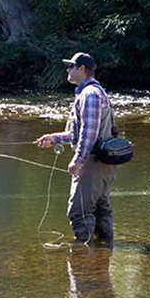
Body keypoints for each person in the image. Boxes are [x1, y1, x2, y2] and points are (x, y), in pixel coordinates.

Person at [35, 52, 117, 244]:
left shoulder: (89, 95)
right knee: (100, 209)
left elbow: (89, 133)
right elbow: (78, 134)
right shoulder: (92, 93)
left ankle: (84, 261)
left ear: (81, 69)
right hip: (102, 162)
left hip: (93, 163)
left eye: (71, 66)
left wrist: (78, 161)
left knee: (79, 211)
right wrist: (55, 138)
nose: (68, 70)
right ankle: (102, 257)